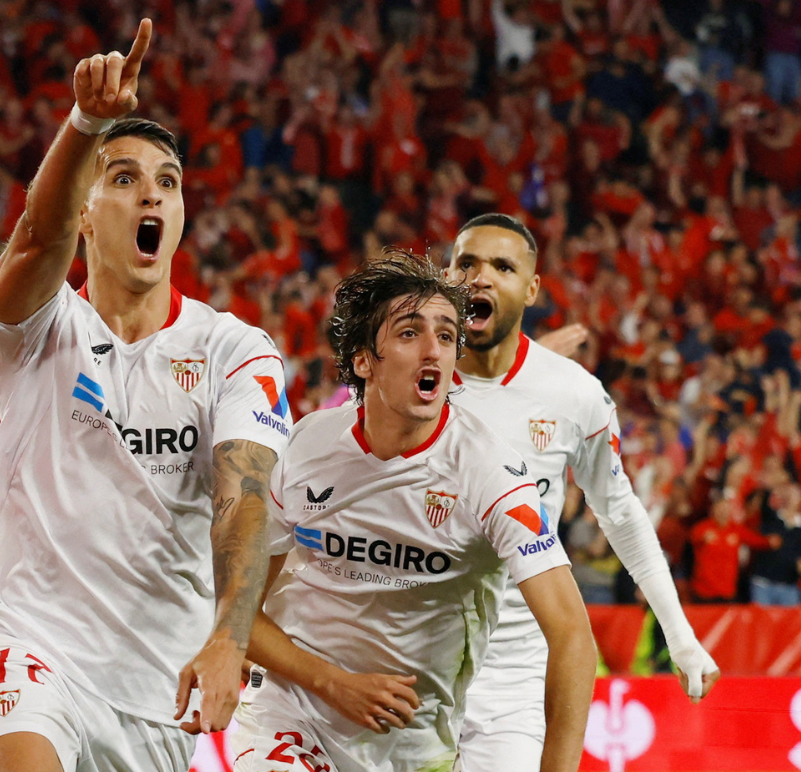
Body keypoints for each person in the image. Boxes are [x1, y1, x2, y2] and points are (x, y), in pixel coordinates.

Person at [0, 19, 288, 772]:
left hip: (152, 681)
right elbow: (37, 241)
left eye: (168, 182)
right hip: (25, 634)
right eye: (125, 177)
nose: (152, 196)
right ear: (86, 213)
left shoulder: (237, 351)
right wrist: (85, 126)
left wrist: (232, 634)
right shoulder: (38, 325)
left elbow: (245, 499)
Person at [230, 252, 596, 772]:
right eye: (409, 333)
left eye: (446, 336)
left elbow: (572, 636)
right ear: (363, 359)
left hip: (412, 746)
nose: (434, 350)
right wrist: (333, 683)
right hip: (293, 713)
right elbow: (238, 604)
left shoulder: (490, 475)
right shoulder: (307, 446)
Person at [444, 214, 720, 772]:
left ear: (532, 288)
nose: (481, 277)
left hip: (514, 669)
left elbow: (619, 511)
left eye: (502, 266)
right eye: (466, 263)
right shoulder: (406, 379)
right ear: (445, 275)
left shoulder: (573, 394)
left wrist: (679, 632)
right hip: (409, 652)